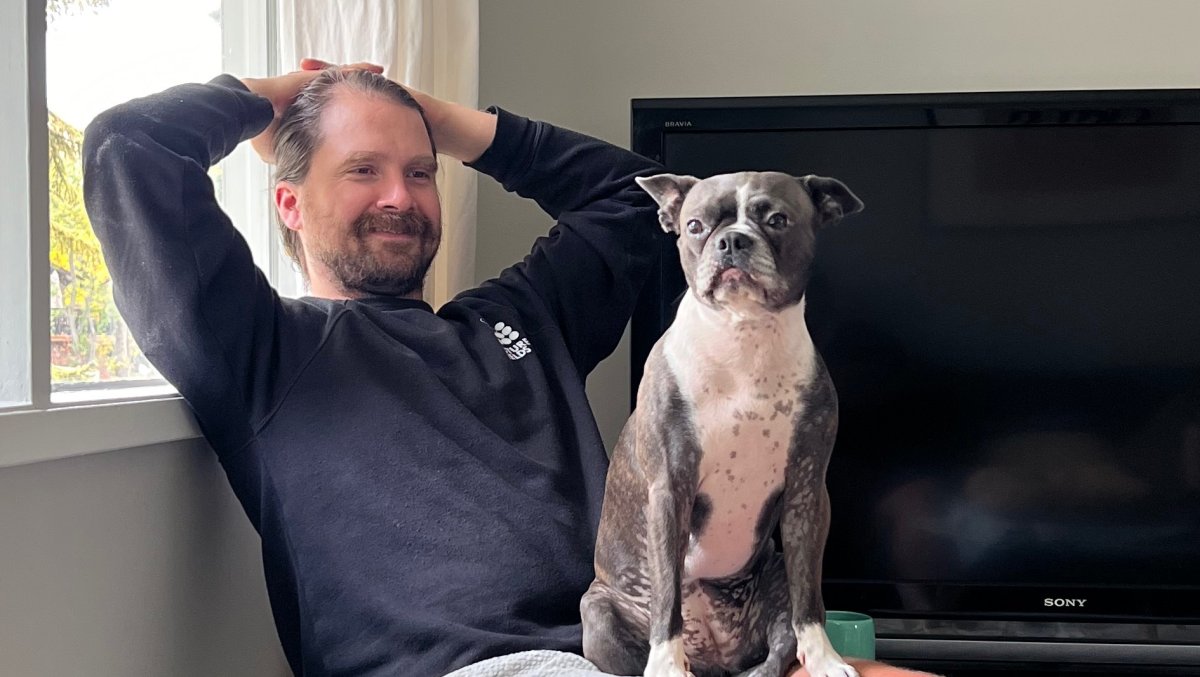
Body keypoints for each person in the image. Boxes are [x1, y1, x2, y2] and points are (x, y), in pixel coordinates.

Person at [82, 59, 930, 677]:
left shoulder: (520, 319)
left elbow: (648, 202)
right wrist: (277, 96)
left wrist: (439, 118)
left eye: (420, 172)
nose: (400, 196)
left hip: (636, 645)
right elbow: (129, 147)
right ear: (290, 204)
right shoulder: (264, 351)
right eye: (363, 170)